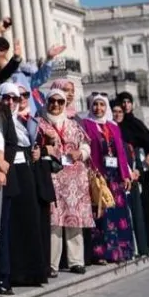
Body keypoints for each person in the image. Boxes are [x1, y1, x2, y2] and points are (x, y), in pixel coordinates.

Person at [0, 81, 47, 289]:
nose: (10, 102)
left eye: (14, 98)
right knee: (10, 224)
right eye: (5, 98)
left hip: (25, 171)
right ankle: (13, 274)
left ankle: (33, 272)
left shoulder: (25, 120)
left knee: (29, 220)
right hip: (8, 170)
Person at [39, 87, 92, 274]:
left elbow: (86, 145)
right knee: (54, 221)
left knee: (74, 218)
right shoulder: (40, 123)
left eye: (60, 102)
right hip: (52, 176)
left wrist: (81, 153)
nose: (55, 105)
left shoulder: (73, 124)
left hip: (75, 178)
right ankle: (52, 264)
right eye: (52, 101)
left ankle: (76, 260)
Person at [79, 93, 135, 265]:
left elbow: (121, 152)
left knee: (118, 214)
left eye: (102, 105)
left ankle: (121, 250)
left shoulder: (113, 126)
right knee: (101, 215)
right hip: (99, 176)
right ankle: (101, 252)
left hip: (115, 176)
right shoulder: (87, 124)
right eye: (95, 105)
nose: (98, 109)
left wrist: (126, 174)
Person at [116, 91, 149, 255]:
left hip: (142, 170)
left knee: (146, 207)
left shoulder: (136, 123)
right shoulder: (116, 124)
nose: (126, 105)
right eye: (122, 102)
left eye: (128, 102)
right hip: (126, 169)